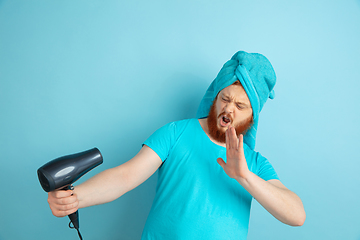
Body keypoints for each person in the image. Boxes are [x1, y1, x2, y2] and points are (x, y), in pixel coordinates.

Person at [47, 51, 306, 239]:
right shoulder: (176, 132)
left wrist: (244, 176)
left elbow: (296, 215)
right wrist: (75, 198)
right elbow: (125, 176)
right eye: (225, 98)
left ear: (253, 116)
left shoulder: (255, 163)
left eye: (240, 106)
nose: (228, 108)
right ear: (215, 97)